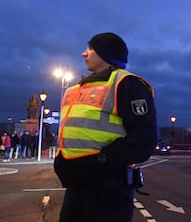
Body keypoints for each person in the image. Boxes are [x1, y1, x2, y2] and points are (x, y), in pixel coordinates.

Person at [54, 32, 158, 222]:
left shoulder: (128, 85)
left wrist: (102, 160)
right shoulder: (76, 89)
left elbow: (144, 140)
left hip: (109, 189)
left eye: (90, 48)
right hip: (76, 187)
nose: (83, 54)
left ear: (106, 53)